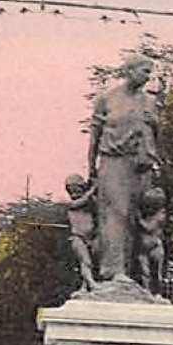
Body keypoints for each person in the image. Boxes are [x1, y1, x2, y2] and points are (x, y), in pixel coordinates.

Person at [87, 54, 159, 283]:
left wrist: (155, 124)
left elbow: (156, 135)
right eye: (144, 71)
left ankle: (136, 275)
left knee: (137, 217)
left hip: (140, 165)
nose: (148, 77)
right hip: (113, 162)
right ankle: (113, 270)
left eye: (149, 72)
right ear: (129, 70)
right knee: (116, 213)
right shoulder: (107, 99)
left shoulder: (149, 102)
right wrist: (91, 166)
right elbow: (95, 136)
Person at [62, 174, 97, 290]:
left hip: (91, 237)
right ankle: (91, 284)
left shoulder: (89, 201)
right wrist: (94, 188)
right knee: (86, 262)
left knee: (92, 263)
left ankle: (84, 286)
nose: (75, 192)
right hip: (79, 238)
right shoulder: (70, 204)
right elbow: (83, 200)